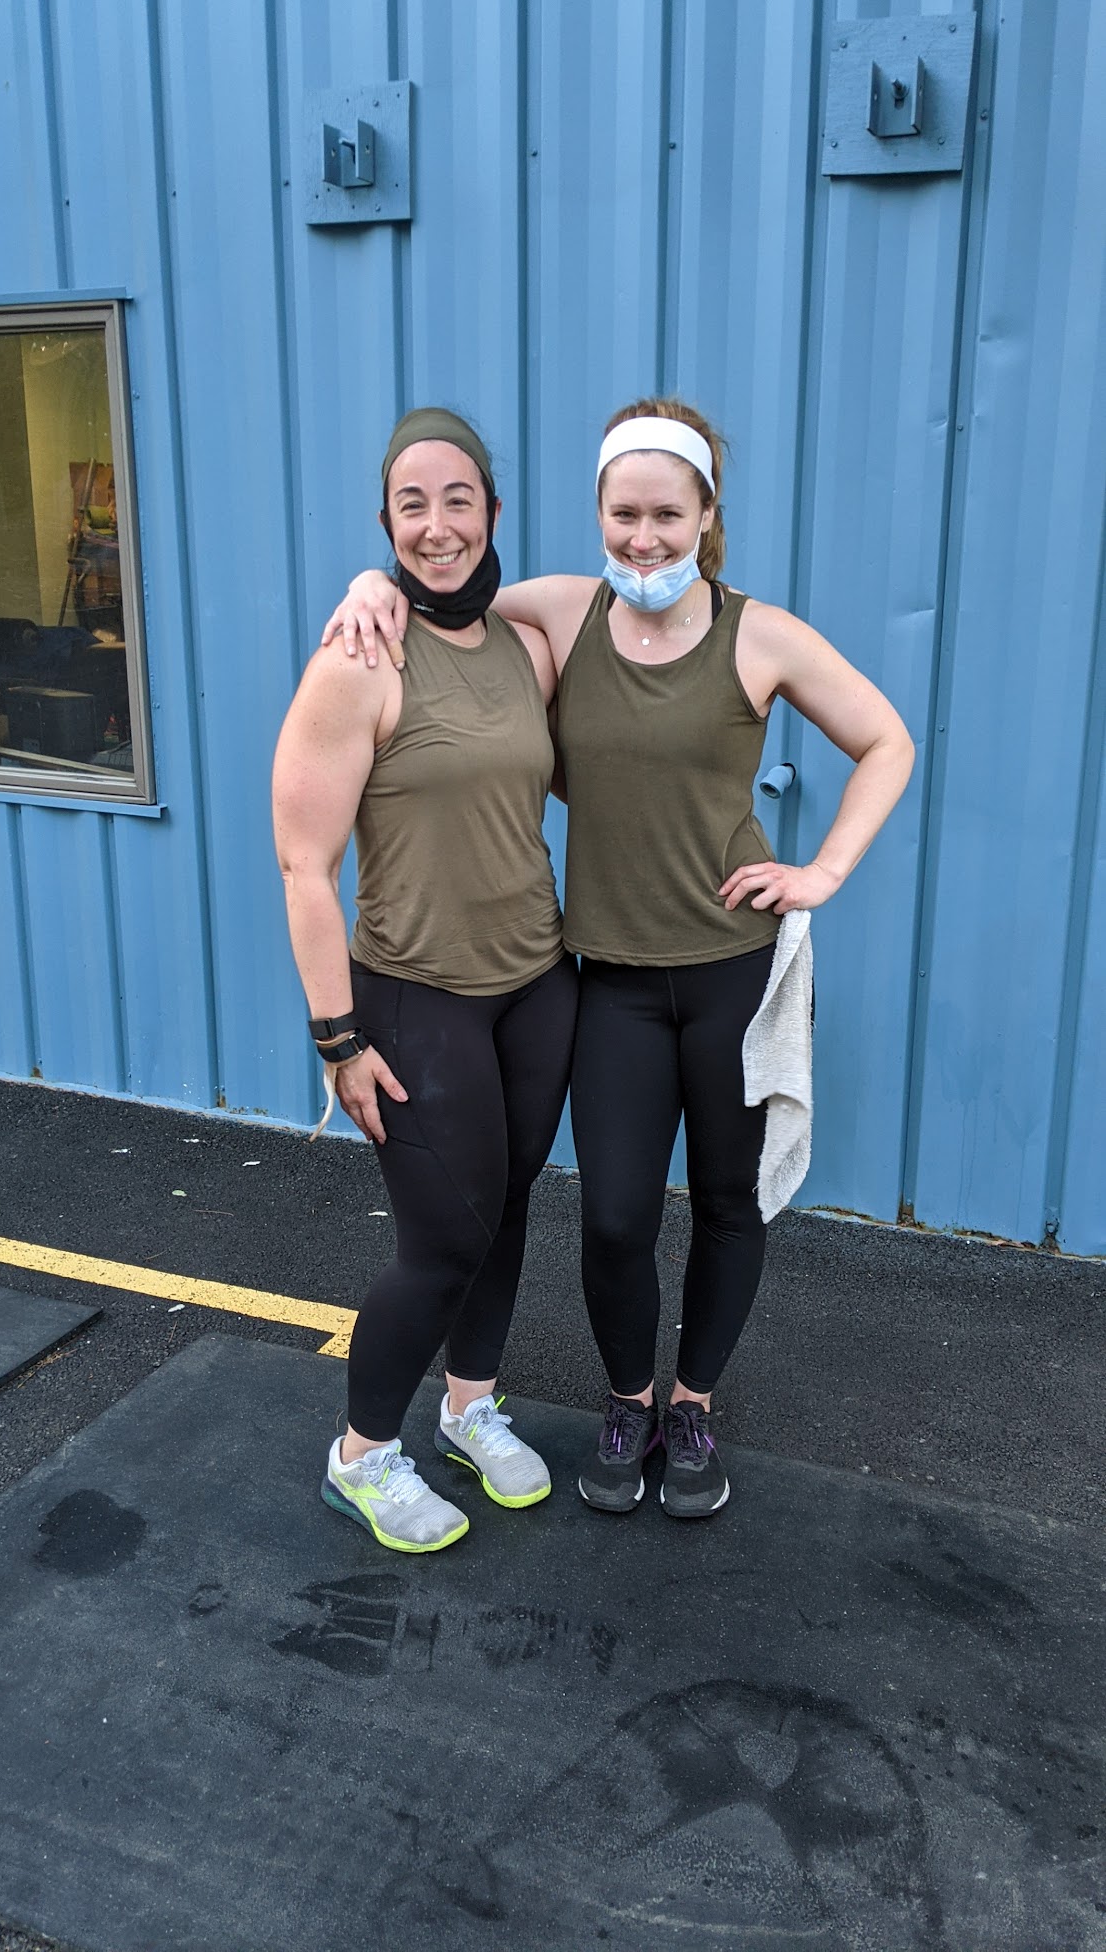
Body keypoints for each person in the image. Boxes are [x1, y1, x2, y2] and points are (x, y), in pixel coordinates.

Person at [323, 397, 914, 1521]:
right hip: (612, 982)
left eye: (666, 516)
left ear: (706, 516)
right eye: (624, 514)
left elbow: (886, 738)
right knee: (614, 1218)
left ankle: (691, 1408)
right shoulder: (563, 609)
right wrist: (366, 583)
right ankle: (629, 1401)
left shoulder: (761, 635)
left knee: (729, 1205)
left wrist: (823, 870)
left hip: (736, 972)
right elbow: (441, 578)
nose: (644, 538)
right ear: (598, 512)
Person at [273, 407, 578, 1554]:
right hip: (416, 993)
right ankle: (360, 1455)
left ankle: (468, 1406)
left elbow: (618, 609)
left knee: (505, 1209)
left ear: (493, 510)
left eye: (459, 499)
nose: (438, 525)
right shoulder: (359, 658)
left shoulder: (527, 644)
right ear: (387, 521)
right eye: (413, 504)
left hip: (537, 985)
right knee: (443, 1240)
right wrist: (338, 1039)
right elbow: (305, 863)